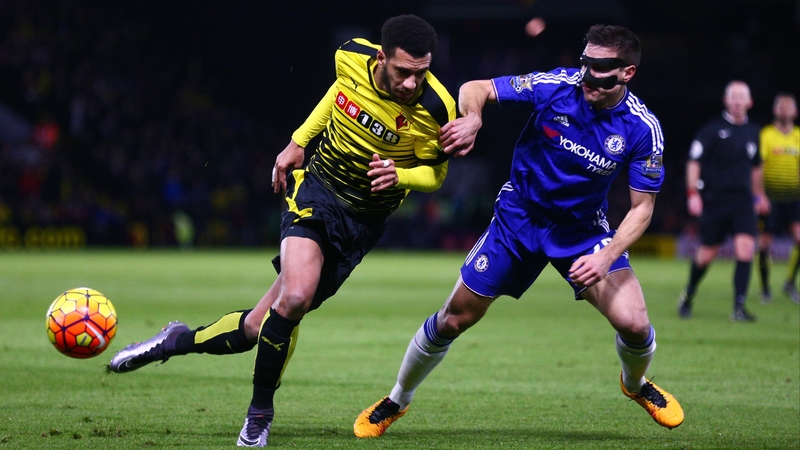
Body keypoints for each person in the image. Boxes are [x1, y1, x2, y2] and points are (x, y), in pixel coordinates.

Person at [108, 15, 456, 448]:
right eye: (403, 72)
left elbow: (435, 175)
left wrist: (401, 176)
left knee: (255, 329)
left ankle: (173, 341)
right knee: (294, 298)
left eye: (421, 73)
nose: (410, 83)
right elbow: (337, 95)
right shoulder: (350, 55)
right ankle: (259, 417)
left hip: (362, 223)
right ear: (382, 58)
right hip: (318, 190)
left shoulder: (437, 109)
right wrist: (298, 141)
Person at [353, 24, 684, 439]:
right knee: (454, 319)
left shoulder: (641, 128)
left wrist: (605, 256)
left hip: (582, 232)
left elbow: (642, 209)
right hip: (519, 219)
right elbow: (478, 87)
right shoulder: (556, 86)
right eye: (585, 63)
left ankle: (635, 385)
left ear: (627, 73)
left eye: (599, 68)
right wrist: (472, 118)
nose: (587, 75)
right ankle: (396, 400)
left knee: (634, 324)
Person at [677, 81, 770, 322]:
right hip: (715, 200)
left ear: (750, 102)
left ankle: (738, 307)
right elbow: (693, 162)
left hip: (742, 201)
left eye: (742, 97)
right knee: (706, 255)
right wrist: (692, 194)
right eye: (733, 97)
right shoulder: (712, 130)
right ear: (726, 101)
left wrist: (759, 195)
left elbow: (757, 167)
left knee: (746, 249)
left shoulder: (753, 131)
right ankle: (688, 294)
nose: (738, 101)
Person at [756, 92, 800, 304]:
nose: (784, 110)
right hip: (771, 196)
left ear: (795, 112)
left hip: (794, 196)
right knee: (764, 244)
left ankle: (790, 282)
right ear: (775, 111)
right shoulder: (766, 134)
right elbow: (759, 166)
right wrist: (760, 196)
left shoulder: (799, 135)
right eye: (781, 107)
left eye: (788, 107)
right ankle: (765, 290)